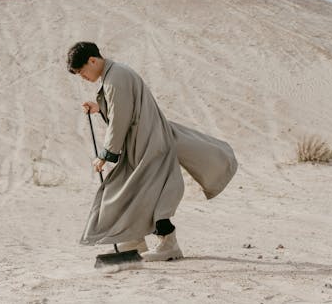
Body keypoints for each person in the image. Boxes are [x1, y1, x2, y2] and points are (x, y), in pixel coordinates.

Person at [67, 41, 237, 262]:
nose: (83, 77)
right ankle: (134, 241)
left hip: (150, 146)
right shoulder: (115, 74)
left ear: (92, 60)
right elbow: (126, 108)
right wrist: (100, 107)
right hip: (143, 145)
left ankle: (169, 244)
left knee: (153, 195)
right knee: (127, 191)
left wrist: (106, 154)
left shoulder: (115, 78)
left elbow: (120, 120)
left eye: (82, 72)